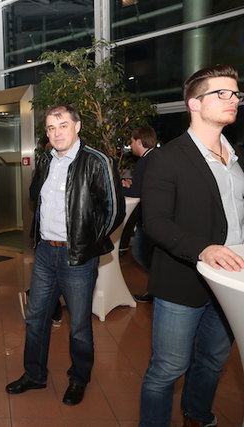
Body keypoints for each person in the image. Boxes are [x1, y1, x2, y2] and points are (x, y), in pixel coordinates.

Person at [138, 64, 244, 427]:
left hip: (231, 282)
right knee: (167, 369)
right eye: (222, 93)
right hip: (184, 280)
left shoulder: (236, 158)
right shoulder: (168, 158)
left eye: (236, 93)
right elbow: (155, 222)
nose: (233, 100)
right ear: (194, 104)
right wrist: (204, 249)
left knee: (212, 361)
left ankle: (197, 416)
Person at [6, 105, 125, 406]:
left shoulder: (97, 161)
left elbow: (114, 211)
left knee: (80, 325)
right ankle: (34, 375)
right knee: (36, 318)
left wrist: (88, 243)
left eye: (62, 126)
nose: (56, 133)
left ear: (77, 126)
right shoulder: (45, 160)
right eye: (50, 128)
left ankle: (79, 378)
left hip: (78, 257)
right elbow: (35, 198)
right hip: (46, 253)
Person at [121, 125, 157, 302]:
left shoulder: (144, 161)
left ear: (139, 141)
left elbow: (137, 193)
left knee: (140, 253)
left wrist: (119, 189)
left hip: (150, 218)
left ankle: (158, 288)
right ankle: (156, 289)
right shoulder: (156, 157)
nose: (131, 145)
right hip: (158, 216)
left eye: (132, 141)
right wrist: (133, 185)